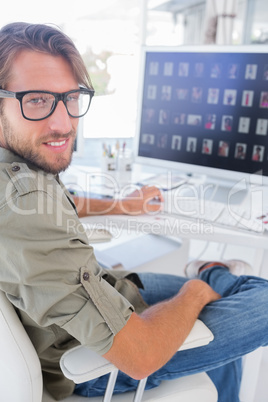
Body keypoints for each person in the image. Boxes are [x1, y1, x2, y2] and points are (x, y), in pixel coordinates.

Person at [0, 22, 268, 402]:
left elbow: (60, 200)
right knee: (259, 295)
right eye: (37, 100)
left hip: (100, 297)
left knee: (220, 323)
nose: (63, 122)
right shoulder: (24, 203)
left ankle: (214, 280)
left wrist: (124, 204)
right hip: (90, 361)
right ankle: (211, 274)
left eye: (71, 97)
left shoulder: (16, 172)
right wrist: (195, 292)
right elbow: (140, 357)